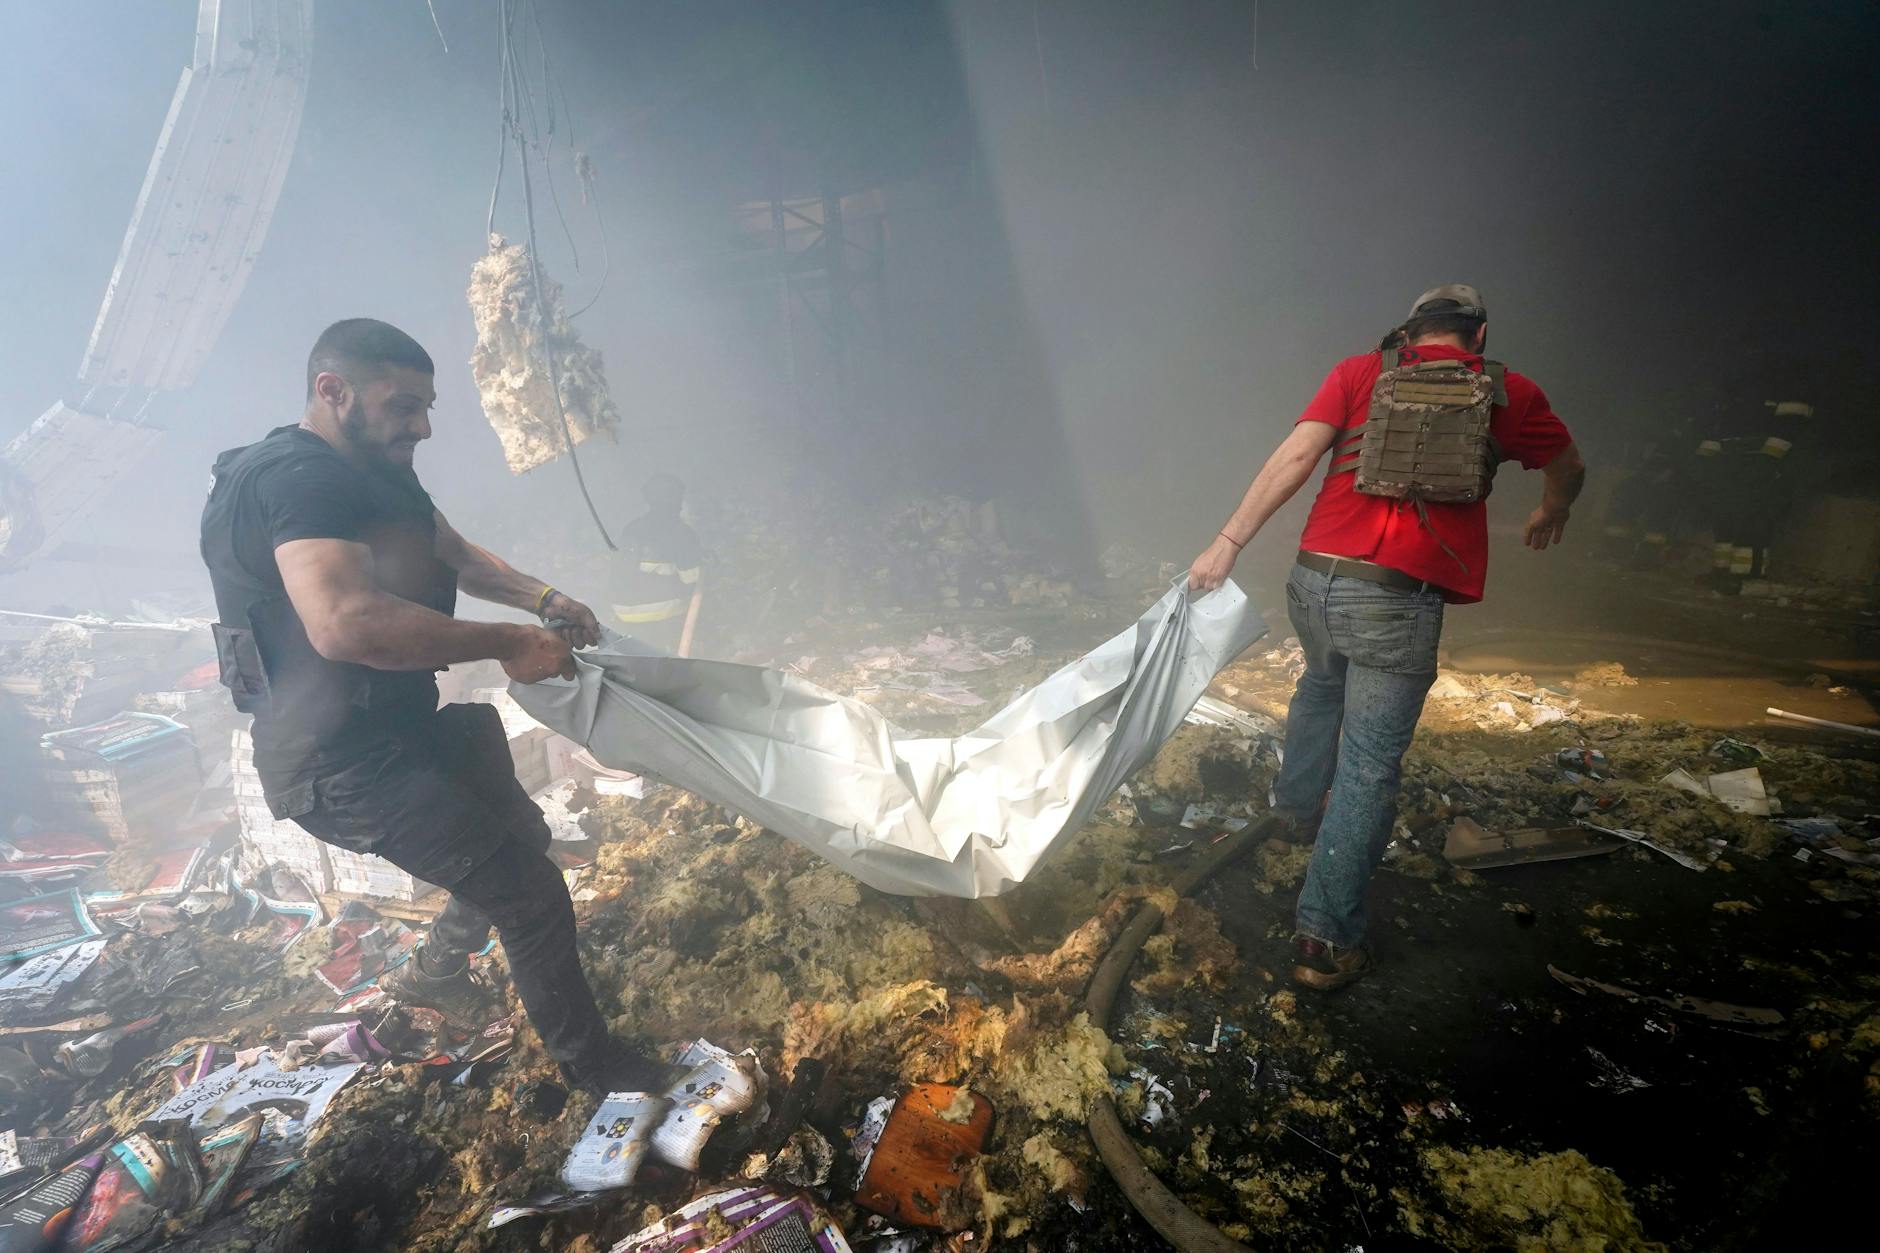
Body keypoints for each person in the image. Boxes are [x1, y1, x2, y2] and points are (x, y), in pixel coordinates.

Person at [200, 318, 666, 1094]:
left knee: (520, 833)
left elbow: (448, 550)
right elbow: (345, 622)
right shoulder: (299, 480)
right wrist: (506, 642)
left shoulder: (370, 469)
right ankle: (599, 1072)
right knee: (530, 893)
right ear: (331, 390)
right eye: (402, 405)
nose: (420, 426)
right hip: (339, 763)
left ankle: (434, 973)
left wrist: (542, 597)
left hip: (400, 727)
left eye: (426, 408)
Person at [1188, 285, 1585, 991]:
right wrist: (1551, 510)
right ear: (1480, 335)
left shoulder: (1359, 372)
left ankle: (1293, 813)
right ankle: (1324, 939)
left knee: (1320, 681)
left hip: (1314, 581)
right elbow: (1569, 466)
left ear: (1410, 329)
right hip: (1396, 598)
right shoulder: (1509, 392)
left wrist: (1228, 541)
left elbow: (1295, 457)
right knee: (1369, 766)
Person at [609, 472, 704, 656]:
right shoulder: (681, 531)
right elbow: (692, 580)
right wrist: (699, 559)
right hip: (662, 613)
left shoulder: (632, 528)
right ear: (678, 499)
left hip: (622, 613)